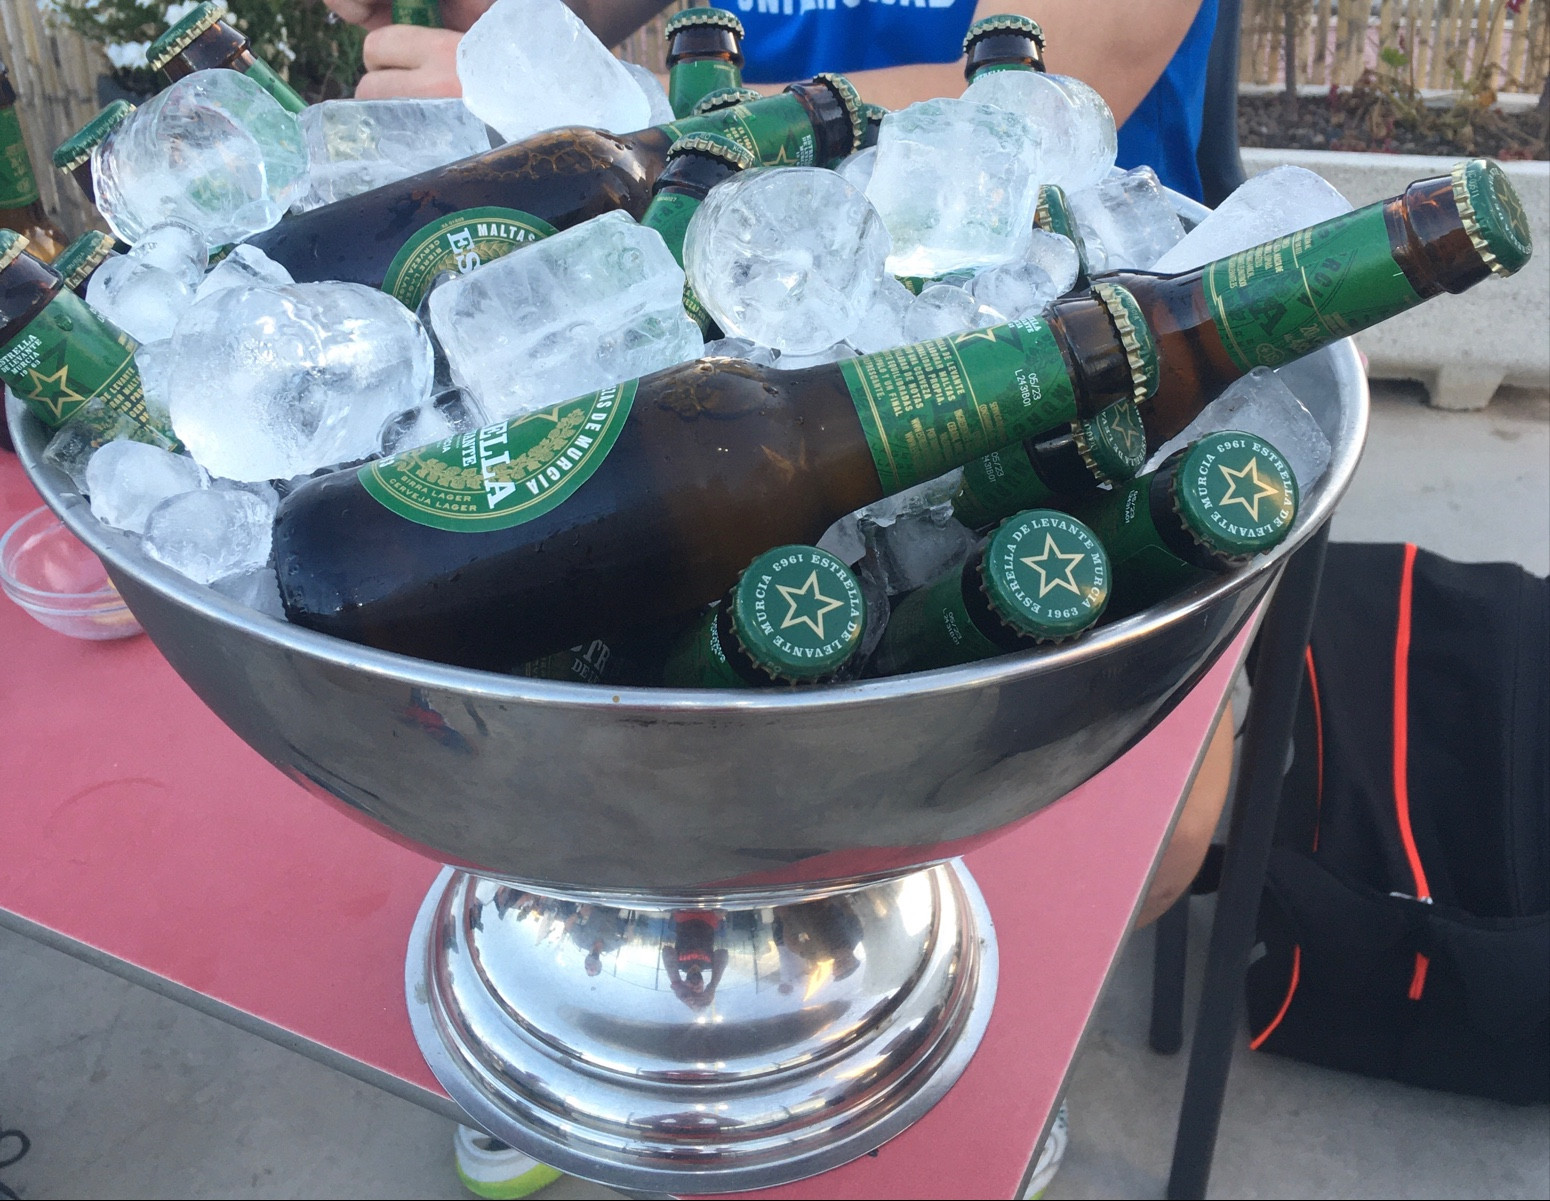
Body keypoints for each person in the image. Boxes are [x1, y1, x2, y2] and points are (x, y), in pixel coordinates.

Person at [320, 2, 1230, 1194]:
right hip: (727, 283)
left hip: (1089, 320)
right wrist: (501, 60)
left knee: (1142, 830)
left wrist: (611, 124)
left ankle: (968, 1061)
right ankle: (609, 1003)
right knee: (574, 669)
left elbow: (1057, 85)